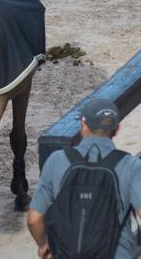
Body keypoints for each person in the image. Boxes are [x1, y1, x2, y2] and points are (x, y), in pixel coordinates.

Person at [28, 98, 141, 259]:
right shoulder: (131, 165)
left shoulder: (57, 160)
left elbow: (34, 219)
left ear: (83, 126)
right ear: (117, 129)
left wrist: (43, 244)